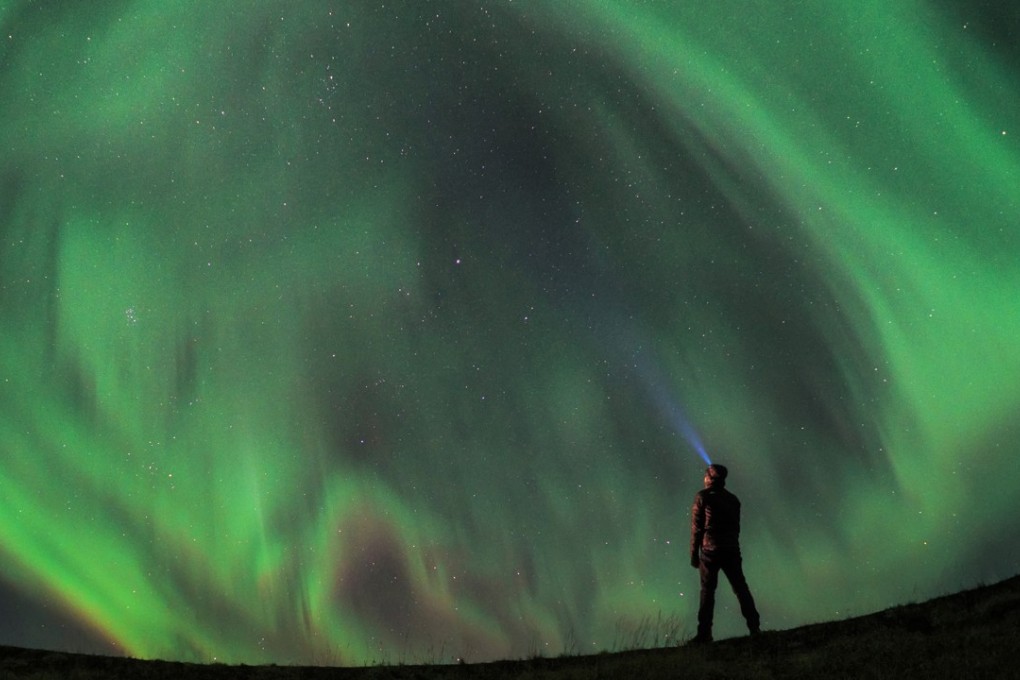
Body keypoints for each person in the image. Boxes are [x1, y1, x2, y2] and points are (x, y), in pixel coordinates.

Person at [689, 463, 760, 643]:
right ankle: (755, 627)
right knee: (741, 588)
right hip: (731, 549)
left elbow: (697, 529)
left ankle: (704, 634)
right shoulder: (733, 499)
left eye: (705, 475)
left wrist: (693, 554)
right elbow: (736, 527)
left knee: (707, 592)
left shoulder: (703, 497)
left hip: (710, 550)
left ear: (709, 478)